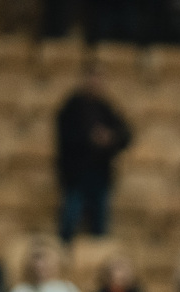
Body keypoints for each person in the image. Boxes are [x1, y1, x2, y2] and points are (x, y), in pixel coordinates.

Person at [54, 62, 131, 241]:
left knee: (99, 227)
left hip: (100, 175)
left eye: (99, 78)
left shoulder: (106, 108)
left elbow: (126, 134)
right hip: (77, 175)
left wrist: (110, 138)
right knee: (69, 222)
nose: (96, 82)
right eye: (93, 78)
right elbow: (65, 137)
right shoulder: (71, 107)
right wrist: (90, 138)